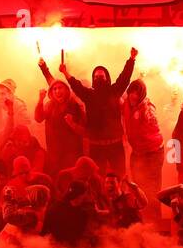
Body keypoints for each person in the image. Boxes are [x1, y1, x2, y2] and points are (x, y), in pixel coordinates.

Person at [60, 48, 136, 176]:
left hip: (115, 144)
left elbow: (124, 77)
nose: (98, 78)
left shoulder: (114, 91)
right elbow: (76, 85)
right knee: (97, 178)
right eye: (96, 77)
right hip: (96, 146)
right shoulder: (89, 95)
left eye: (101, 76)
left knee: (120, 176)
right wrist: (65, 72)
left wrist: (131, 59)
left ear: (107, 78)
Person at [123, 78, 165, 220]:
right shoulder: (126, 104)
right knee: (138, 186)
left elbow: (152, 122)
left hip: (153, 152)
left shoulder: (148, 108)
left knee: (152, 189)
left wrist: (145, 115)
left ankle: (155, 221)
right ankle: (141, 219)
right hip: (138, 152)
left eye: (137, 93)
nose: (133, 96)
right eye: (131, 92)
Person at [36, 61, 86, 173]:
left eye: (60, 88)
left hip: (72, 156)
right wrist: (40, 100)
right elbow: (38, 118)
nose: (57, 91)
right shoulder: (50, 106)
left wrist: (72, 124)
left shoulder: (75, 106)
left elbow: (85, 131)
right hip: (54, 155)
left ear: (67, 90)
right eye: (55, 89)